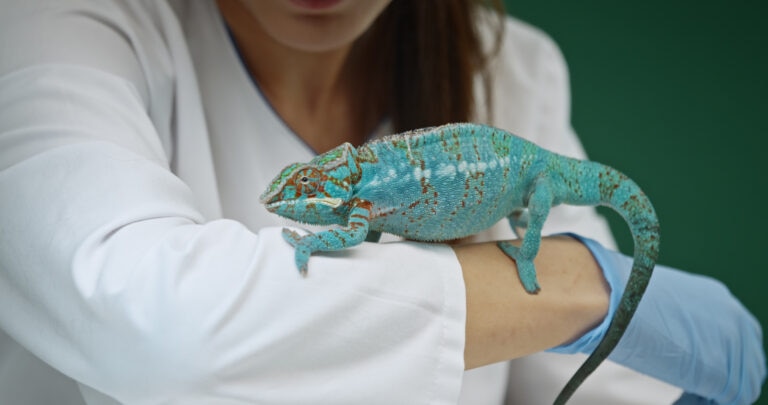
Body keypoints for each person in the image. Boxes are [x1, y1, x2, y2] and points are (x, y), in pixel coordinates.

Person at [0, 0, 763, 404]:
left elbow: (580, 383)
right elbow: (156, 322)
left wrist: (640, 353)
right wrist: (578, 281)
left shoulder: (509, 66)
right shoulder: (62, 28)